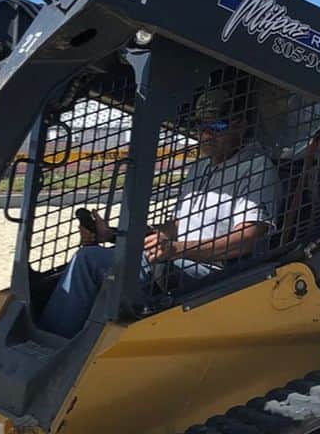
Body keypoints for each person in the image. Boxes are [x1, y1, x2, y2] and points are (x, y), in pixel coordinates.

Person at [38, 84, 280, 337]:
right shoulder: (201, 168)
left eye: (216, 127)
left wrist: (177, 249)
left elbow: (249, 240)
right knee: (96, 255)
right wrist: (113, 235)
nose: (206, 135)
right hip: (178, 258)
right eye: (201, 127)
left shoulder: (257, 168)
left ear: (240, 126)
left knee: (90, 262)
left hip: (217, 272)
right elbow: (176, 225)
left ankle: (54, 337)